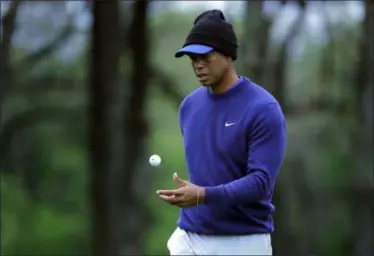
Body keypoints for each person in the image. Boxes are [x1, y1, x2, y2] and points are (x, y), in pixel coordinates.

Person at [156, 9, 287, 256]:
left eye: (205, 56)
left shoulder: (263, 108)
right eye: (192, 58)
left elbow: (260, 183)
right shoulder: (189, 106)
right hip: (189, 236)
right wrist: (196, 197)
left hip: (242, 241)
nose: (198, 64)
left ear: (228, 55)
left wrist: (202, 195)